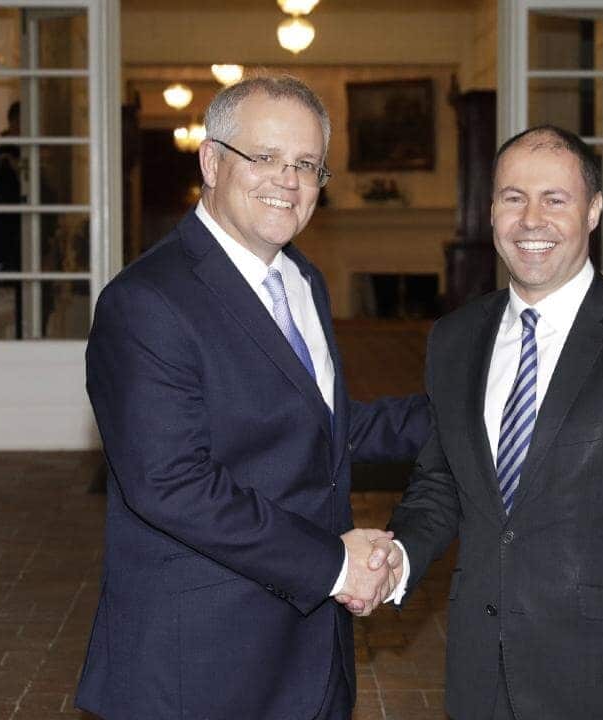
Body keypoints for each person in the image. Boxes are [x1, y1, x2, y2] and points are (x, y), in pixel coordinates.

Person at [76, 75, 429, 720]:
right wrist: (333, 566)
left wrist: (473, 412)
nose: (287, 181)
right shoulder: (146, 302)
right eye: (264, 158)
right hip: (202, 663)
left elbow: (322, 431)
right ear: (211, 161)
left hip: (310, 652)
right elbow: (171, 484)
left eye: (305, 165)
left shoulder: (301, 281)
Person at [372, 126, 603, 719]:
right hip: (480, 673)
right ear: (491, 212)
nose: (530, 219)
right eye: (513, 198)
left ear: (592, 211)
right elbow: (443, 482)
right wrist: (400, 559)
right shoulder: (455, 338)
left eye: (554, 199)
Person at [0, 101, 23, 338]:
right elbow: (5, 199)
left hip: (24, 252)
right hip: (7, 249)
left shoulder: (26, 156)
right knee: (6, 317)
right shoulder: (3, 159)